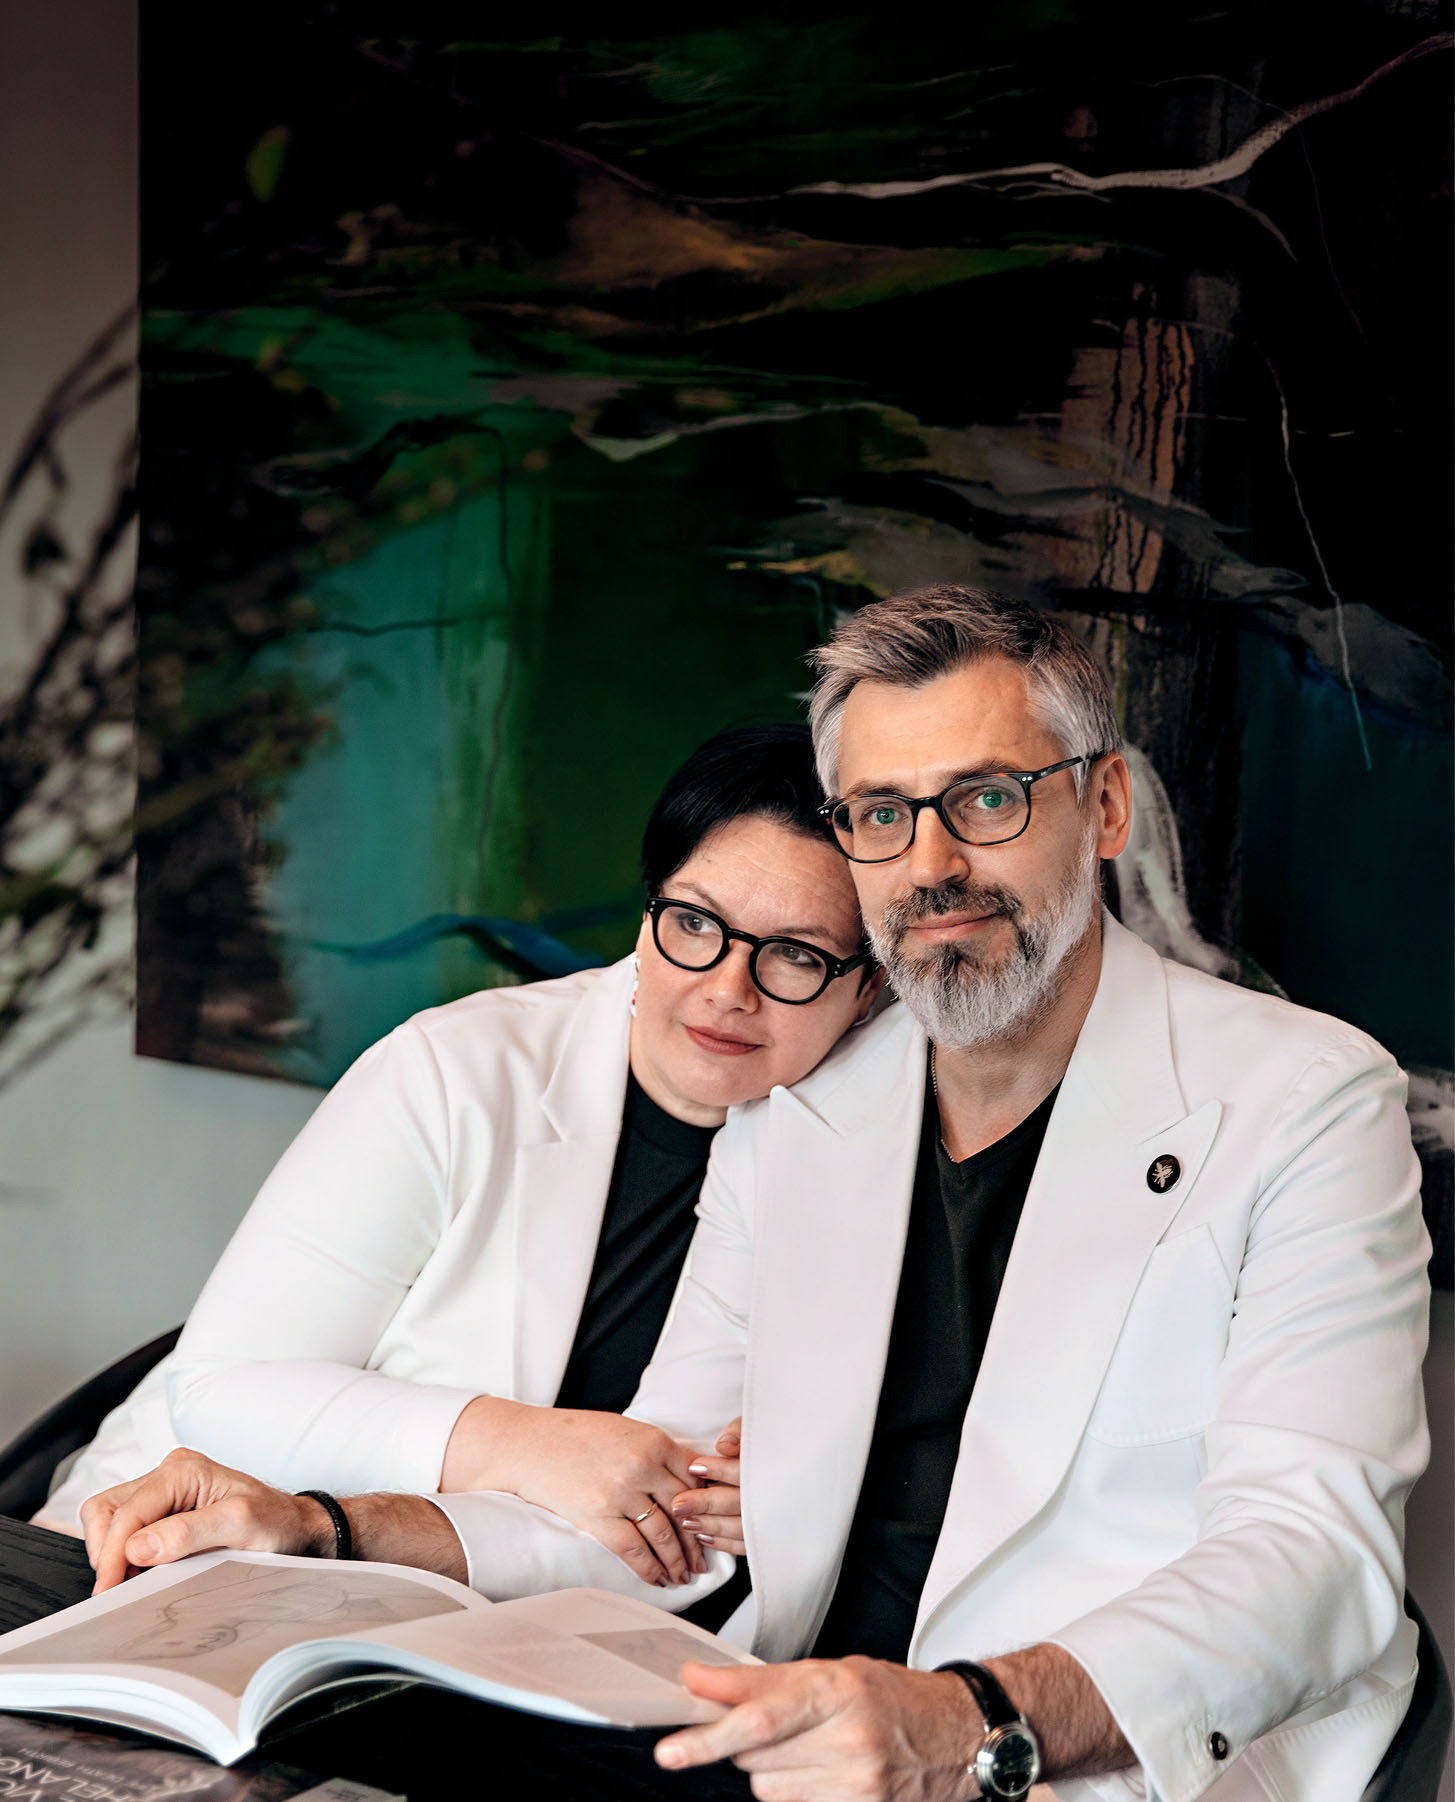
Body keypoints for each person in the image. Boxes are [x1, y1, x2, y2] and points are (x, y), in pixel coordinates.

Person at [82, 589, 1431, 1802]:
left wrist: (968, 1720)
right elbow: (654, 1503)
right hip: (779, 1725)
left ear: (1107, 808)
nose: (931, 863)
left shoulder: (1306, 1098)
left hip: (1091, 1755)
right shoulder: (802, 1101)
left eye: (987, 798)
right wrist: (328, 1527)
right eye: (882, 813)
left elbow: (1308, 1554)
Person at [47, 723, 882, 1598]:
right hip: (144, 1549)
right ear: (646, 916)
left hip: (464, 1614)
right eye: (695, 923)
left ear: (868, 988)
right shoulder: (453, 1069)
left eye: (796, 954)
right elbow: (221, 1392)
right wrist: (526, 1444)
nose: (727, 988)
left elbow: (674, 1525)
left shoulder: (848, 1164)